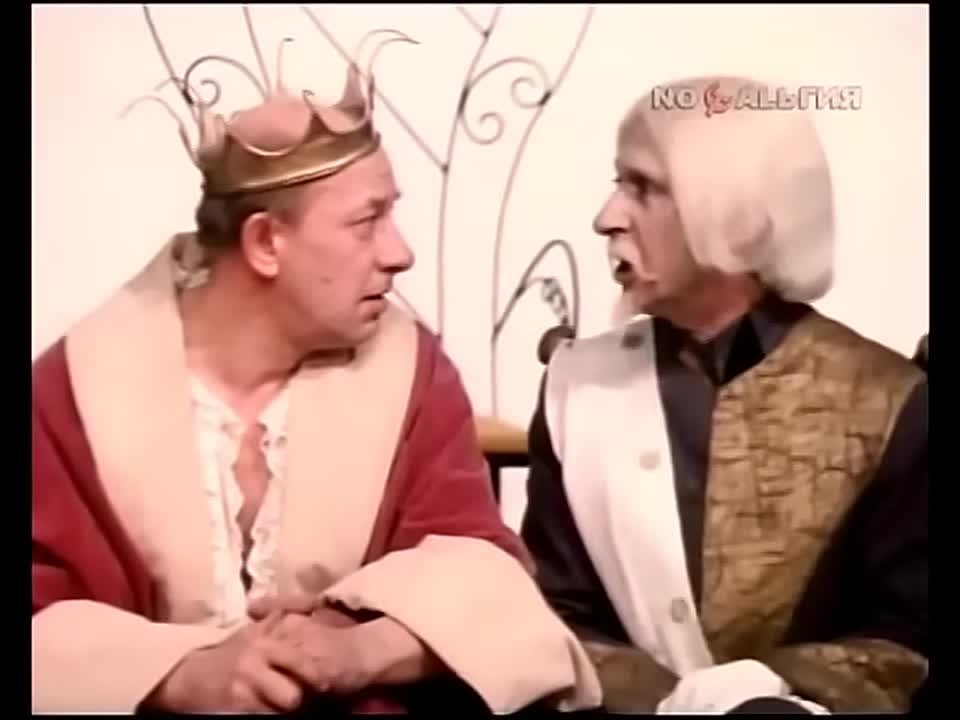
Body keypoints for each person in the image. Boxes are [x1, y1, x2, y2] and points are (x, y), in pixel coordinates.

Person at [31, 27, 601, 714]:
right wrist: (184, 676)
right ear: (266, 243)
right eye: (367, 222)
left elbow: (484, 574)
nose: (399, 253)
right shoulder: (76, 393)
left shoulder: (413, 376)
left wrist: (355, 650)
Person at [520, 75, 928, 714]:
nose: (607, 217)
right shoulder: (577, 387)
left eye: (643, 187)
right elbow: (553, 616)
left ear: (734, 211)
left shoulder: (887, 399)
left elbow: (906, 639)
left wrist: (775, 687)